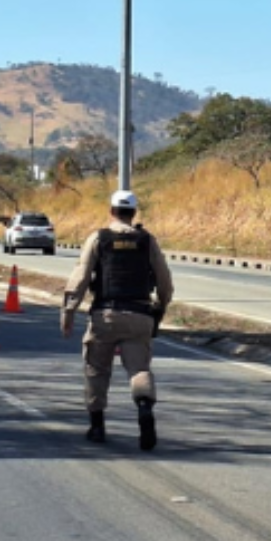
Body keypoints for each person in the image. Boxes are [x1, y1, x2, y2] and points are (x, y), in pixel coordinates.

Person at [61, 190, 175, 450]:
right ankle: (144, 407)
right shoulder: (148, 241)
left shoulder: (98, 239)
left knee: (96, 369)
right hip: (140, 315)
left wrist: (68, 312)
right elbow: (164, 280)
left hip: (106, 315)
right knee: (140, 369)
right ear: (134, 213)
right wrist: (161, 306)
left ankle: (97, 425)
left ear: (111, 211)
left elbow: (80, 278)